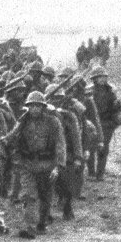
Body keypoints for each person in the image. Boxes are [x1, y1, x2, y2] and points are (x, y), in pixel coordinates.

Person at [5, 91, 66, 238]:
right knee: (28, 195)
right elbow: (12, 136)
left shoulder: (53, 122)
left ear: (43, 107)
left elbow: (60, 144)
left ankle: (42, 223)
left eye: (37, 106)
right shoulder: (23, 121)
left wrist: (58, 166)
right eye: (31, 106)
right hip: (27, 164)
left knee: (45, 196)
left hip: (47, 164)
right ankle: (30, 226)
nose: (34, 109)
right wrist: (5, 140)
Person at [47, 85, 85, 221]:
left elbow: (76, 138)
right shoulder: (44, 115)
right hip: (48, 155)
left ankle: (67, 208)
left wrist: (78, 157)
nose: (56, 101)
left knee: (66, 184)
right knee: (48, 184)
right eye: (54, 98)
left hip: (67, 155)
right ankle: (47, 212)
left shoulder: (69, 116)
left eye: (59, 98)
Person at [88, 66, 121, 180]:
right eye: (99, 77)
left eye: (104, 77)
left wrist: (117, 107)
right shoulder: (89, 91)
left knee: (103, 148)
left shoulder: (111, 91)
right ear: (94, 79)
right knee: (90, 147)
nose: (102, 79)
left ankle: (100, 174)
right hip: (92, 123)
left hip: (106, 123)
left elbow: (116, 108)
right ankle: (91, 172)